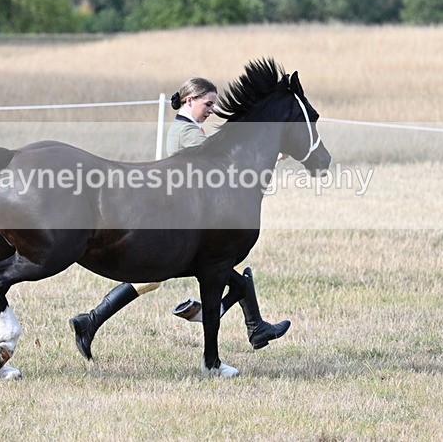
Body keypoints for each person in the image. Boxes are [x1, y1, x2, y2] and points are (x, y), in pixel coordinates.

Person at [69, 77, 290, 361]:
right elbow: (222, 163)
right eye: (208, 104)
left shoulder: (187, 129)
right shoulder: (188, 134)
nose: (211, 110)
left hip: (183, 214)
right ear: (190, 100)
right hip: (183, 219)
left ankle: (90, 322)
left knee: (157, 279)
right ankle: (250, 325)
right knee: (205, 270)